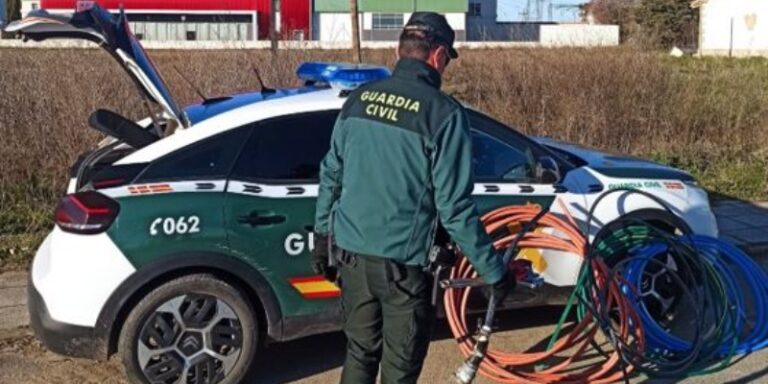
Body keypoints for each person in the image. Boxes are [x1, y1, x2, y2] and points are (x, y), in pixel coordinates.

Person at [312, 12, 517, 384]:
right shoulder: (444, 114)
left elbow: (331, 175)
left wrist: (323, 237)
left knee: (359, 354)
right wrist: (494, 272)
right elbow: (454, 208)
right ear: (438, 56)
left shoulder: (359, 100)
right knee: (399, 369)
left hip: (351, 260)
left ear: (399, 50)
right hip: (403, 272)